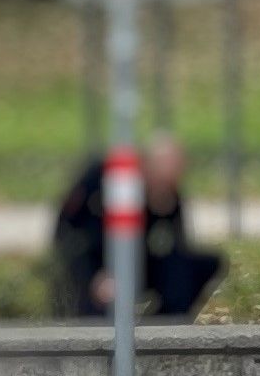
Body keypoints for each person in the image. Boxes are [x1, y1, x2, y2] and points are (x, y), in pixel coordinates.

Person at [51, 135, 224, 318]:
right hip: (93, 258)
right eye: (160, 179)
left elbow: (177, 242)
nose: (166, 185)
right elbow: (70, 231)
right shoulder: (106, 177)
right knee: (98, 302)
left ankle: (166, 322)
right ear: (146, 164)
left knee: (197, 265)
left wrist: (160, 208)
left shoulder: (167, 192)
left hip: (138, 256)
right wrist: (94, 276)